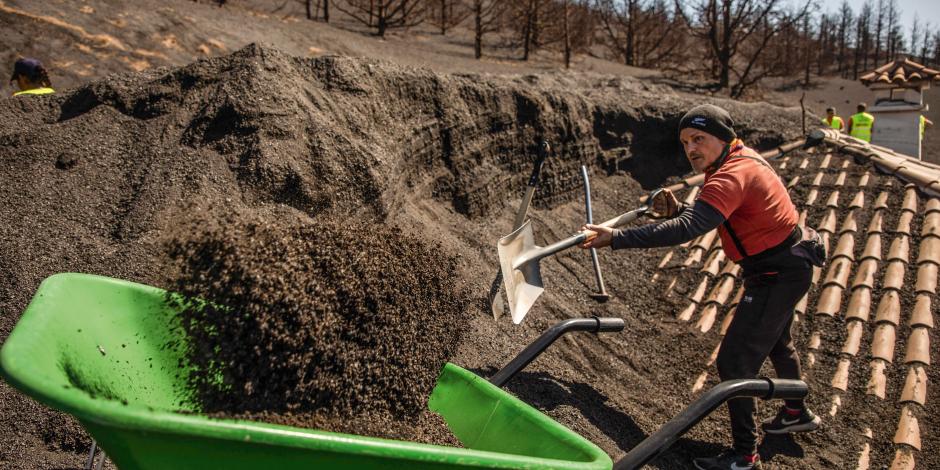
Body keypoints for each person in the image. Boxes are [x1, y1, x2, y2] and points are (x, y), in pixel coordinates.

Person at [579, 104, 823, 470]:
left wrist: (616, 238)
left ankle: (744, 455)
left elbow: (688, 229)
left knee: (735, 361)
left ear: (724, 138)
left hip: (777, 272)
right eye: (685, 142)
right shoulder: (737, 161)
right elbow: (706, 217)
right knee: (777, 341)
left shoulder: (730, 174)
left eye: (699, 139)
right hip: (787, 263)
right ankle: (795, 411)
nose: (691, 148)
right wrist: (679, 211)